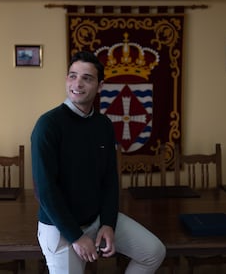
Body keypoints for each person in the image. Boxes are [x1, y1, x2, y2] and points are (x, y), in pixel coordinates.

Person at [31, 51, 166, 274]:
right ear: (66, 80)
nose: (78, 84)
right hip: (60, 227)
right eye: (73, 76)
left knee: (153, 252)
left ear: (100, 86)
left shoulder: (103, 125)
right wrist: (76, 235)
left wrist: (108, 224)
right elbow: (45, 191)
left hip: (96, 219)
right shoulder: (48, 125)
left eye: (87, 78)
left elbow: (110, 180)